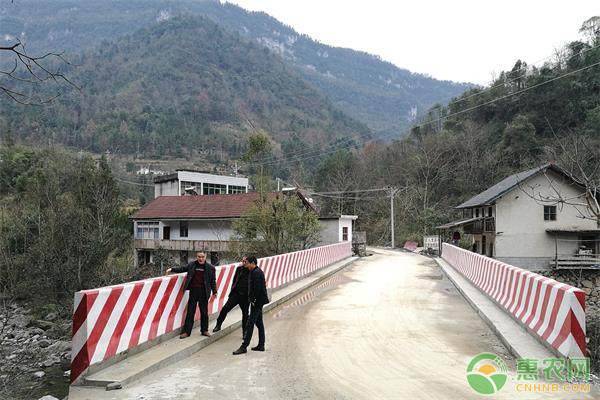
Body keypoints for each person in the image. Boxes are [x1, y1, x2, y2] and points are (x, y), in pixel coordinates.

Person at [166, 252, 217, 339]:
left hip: (204, 292)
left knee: (204, 312)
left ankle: (204, 330)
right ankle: (186, 332)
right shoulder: (192, 265)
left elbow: (213, 281)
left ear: (205, 257)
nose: (200, 259)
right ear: (196, 257)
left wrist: (215, 291)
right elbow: (182, 268)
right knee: (190, 312)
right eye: (199, 257)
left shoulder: (211, 268)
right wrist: (171, 269)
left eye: (202, 257)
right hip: (194, 291)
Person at [233, 255, 270, 355]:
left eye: (247, 263)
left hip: (257, 302)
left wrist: (253, 301)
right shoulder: (254, 271)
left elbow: (257, 289)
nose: (246, 265)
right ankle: (261, 345)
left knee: (250, 323)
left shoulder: (256, 273)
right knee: (259, 323)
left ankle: (244, 346)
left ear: (253, 263)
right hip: (258, 301)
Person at [213, 257, 250, 335]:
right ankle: (218, 325)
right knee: (225, 308)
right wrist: (232, 292)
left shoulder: (252, 271)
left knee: (245, 314)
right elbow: (235, 281)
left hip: (246, 297)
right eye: (242, 261)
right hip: (236, 294)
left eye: (245, 261)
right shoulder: (239, 269)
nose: (243, 263)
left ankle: (245, 332)